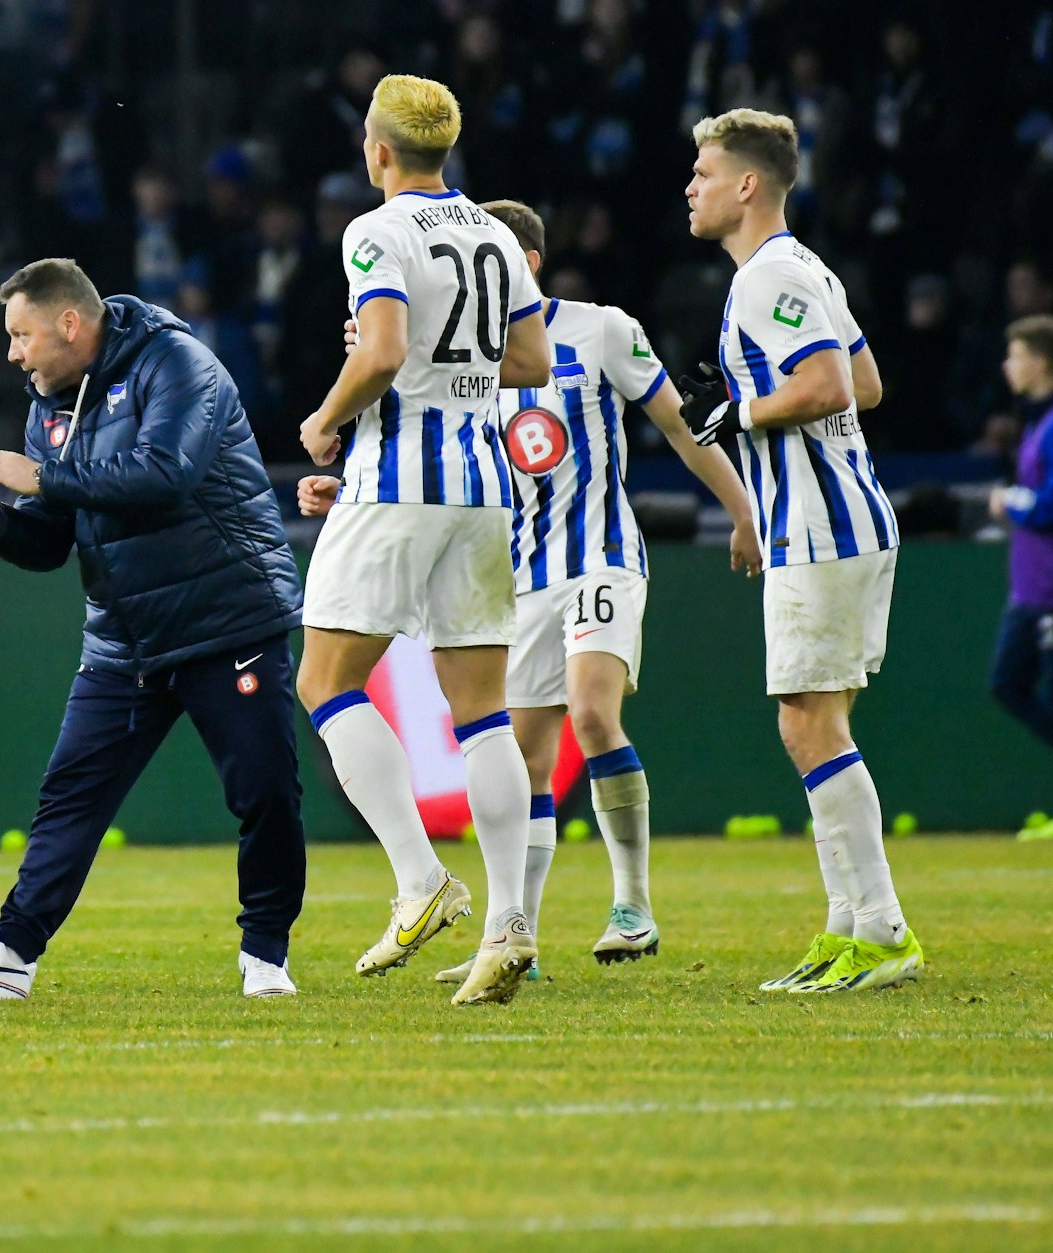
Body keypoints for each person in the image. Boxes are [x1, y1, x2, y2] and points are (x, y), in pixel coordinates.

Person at [298, 199, 764, 984]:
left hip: (599, 554)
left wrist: (743, 510)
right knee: (526, 751)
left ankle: (632, 902)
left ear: (527, 264)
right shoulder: (455, 354)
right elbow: (424, 444)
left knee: (591, 710)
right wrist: (344, 487)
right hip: (513, 566)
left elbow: (680, 426)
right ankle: (517, 936)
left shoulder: (603, 329)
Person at [0, 257, 306, 1001]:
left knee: (264, 790)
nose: (12, 353)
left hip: (226, 617)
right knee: (71, 796)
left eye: (22, 334)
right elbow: (54, 539)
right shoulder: (48, 404)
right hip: (125, 638)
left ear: (69, 323)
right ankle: (11, 954)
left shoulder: (178, 362)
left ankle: (266, 953)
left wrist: (38, 479)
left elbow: (166, 474)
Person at [293, 74, 551, 1007]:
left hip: (401, 478)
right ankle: (510, 924)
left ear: (378, 151)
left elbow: (385, 351)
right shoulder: (491, 230)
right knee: (483, 711)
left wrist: (328, 420)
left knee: (324, 681)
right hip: (486, 485)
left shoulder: (377, 231)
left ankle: (419, 879)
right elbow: (530, 360)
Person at [679, 108, 922, 993]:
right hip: (842, 520)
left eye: (704, 173)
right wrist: (760, 402)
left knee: (806, 722)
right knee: (821, 721)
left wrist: (740, 412)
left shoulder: (767, 277)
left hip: (819, 530)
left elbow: (823, 386)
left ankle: (884, 932)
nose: (691, 188)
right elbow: (866, 380)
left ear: (748, 184)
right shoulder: (805, 268)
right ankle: (846, 924)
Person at [989, 314, 1053, 753]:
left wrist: (1008, 500)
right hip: (1029, 593)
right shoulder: (1035, 424)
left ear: (1042, 362)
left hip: (1049, 594)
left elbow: (1049, 505)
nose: (1007, 366)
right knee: (1007, 685)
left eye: (1015, 356)